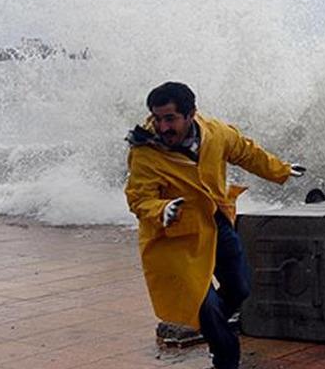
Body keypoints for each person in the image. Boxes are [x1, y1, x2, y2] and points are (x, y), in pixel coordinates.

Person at [124, 81, 305, 369]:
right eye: (157, 118)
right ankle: (225, 358)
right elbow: (138, 197)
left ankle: (209, 326)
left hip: (215, 221)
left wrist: (280, 169)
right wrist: (161, 209)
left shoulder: (215, 133)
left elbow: (246, 152)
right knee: (205, 305)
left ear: (191, 114)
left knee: (240, 287)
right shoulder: (145, 151)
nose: (162, 127)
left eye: (170, 118)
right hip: (174, 236)